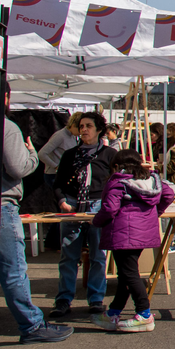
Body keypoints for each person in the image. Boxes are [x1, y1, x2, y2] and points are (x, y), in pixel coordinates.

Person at [0, 83, 73, 343]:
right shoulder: (5, 127)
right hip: (1, 205)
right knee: (13, 271)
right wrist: (31, 155)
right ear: (6, 96)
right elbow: (19, 167)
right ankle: (30, 325)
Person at [91, 149, 175, 333]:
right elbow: (168, 195)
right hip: (142, 232)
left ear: (115, 165)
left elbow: (109, 208)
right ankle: (114, 312)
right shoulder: (153, 179)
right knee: (126, 274)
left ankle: (144, 314)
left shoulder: (117, 182)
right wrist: (154, 214)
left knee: (129, 274)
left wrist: (96, 221)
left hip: (122, 233)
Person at [50, 111, 117, 318]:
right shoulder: (70, 155)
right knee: (68, 255)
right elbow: (58, 183)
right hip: (72, 205)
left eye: (88, 126)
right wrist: (62, 200)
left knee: (98, 256)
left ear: (99, 130)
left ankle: (96, 299)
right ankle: (63, 299)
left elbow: (117, 183)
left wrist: (109, 204)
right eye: (81, 126)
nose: (84, 130)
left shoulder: (109, 154)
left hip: (98, 207)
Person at [37, 111, 81, 192]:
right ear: (74, 125)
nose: (81, 132)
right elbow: (42, 153)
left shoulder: (73, 136)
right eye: (80, 129)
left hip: (65, 175)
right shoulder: (60, 135)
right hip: (54, 175)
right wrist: (56, 166)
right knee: (62, 201)